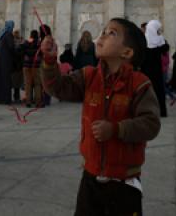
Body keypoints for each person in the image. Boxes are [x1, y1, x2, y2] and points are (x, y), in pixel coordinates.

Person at [40, 18, 161, 216]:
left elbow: (151, 124)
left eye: (112, 33)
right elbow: (58, 87)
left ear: (127, 52)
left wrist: (116, 129)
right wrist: (50, 61)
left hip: (124, 183)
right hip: (90, 177)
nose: (103, 35)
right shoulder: (88, 77)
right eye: (103, 31)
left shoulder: (139, 84)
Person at [141, 20, 168, 118]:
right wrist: (160, 37)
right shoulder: (159, 41)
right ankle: (160, 111)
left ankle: (149, 111)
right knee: (157, 91)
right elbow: (165, 47)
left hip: (147, 71)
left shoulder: (144, 42)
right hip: (155, 71)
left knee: (150, 92)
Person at [0, 20, 17, 104]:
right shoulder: (9, 35)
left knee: (0, 79)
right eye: (12, 26)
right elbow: (11, 47)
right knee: (6, 80)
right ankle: (6, 99)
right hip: (5, 61)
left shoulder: (2, 35)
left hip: (0, 61)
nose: (12, 28)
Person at [21, 29, 43, 107]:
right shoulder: (39, 43)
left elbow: (21, 50)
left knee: (28, 84)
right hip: (36, 66)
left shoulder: (26, 42)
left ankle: (28, 101)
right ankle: (38, 102)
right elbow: (42, 53)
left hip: (27, 66)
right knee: (37, 84)